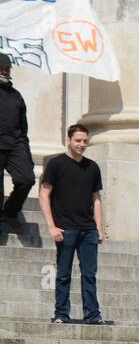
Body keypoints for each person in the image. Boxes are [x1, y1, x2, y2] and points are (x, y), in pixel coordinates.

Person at [39, 123, 108, 325]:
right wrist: (51, 226)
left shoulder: (93, 167)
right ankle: (61, 314)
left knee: (89, 274)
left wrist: (100, 228)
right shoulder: (56, 164)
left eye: (85, 141)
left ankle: (93, 315)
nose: (82, 144)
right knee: (63, 274)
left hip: (88, 230)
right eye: (78, 140)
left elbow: (96, 199)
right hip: (65, 228)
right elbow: (44, 194)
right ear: (68, 140)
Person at [0, 53, 35, 233]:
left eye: (8, 68)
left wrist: (26, 154)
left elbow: (23, 128)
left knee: (26, 179)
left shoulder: (16, 96)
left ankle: (11, 211)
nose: (6, 71)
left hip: (14, 144)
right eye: (3, 68)